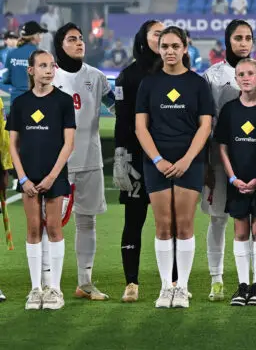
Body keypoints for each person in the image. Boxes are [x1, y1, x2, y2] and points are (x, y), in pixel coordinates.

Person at [134, 26, 215, 308]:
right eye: (164, 46)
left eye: (175, 46)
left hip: (189, 163)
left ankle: (182, 287)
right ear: (159, 49)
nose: (169, 51)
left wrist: (187, 160)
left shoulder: (197, 84)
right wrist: (158, 160)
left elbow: (205, 126)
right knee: (163, 226)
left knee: (184, 225)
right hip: (156, 162)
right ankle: (165, 287)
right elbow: (140, 127)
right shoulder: (149, 84)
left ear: (185, 48)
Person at [203, 20, 256, 302]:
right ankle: (217, 278)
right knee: (220, 218)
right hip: (222, 159)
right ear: (227, 41)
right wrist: (208, 162)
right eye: (237, 38)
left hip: (254, 159)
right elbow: (208, 123)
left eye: (248, 38)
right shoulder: (212, 75)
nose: (243, 42)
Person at [52, 23, 114, 302]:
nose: (79, 43)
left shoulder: (97, 77)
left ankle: (85, 282)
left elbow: (117, 107)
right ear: (60, 44)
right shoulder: (51, 75)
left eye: (80, 39)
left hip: (90, 160)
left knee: (87, 222)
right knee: (50, 223)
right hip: (57, 164)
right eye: (72, 39)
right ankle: (47, 282)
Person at [11, 50, 76, 310]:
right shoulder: (21, 103)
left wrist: (51, 176)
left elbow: (68, 143)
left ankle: (55, 289)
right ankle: (36, 289)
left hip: (54, 176)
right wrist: (23, 177)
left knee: (54, 228)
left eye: (51, 66)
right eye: (42, 66)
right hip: (29, 177)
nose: (48, 70)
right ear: (31, 70)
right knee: (33, 229)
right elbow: (13, 144)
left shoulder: (63, 101)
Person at [215, 59, 256, 306]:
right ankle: (242, 286)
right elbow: (222, 146)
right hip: (237, 181)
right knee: (241, 231)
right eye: (240, 74)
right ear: (236, 78)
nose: (245, 77)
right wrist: (232, 178)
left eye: (250, 73)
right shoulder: (230, 110)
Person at [112, 20, 164, 302]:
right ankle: (131, 282)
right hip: (135, 158)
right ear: (144, 39)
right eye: (157, 33)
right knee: (134, 219)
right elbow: (122, 120)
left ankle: (173, 280)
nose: (162, 37)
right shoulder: (127, 76)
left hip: (166, 159)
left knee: (169, 221)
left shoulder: (175, 74)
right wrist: (121, 155)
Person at [3, 21, 47, 105]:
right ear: (35, 36)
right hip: (34, 100)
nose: (41, 37)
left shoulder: (12, 53)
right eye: (40, 34)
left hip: (15, 100)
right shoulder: (39, 54)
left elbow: (7, 78)